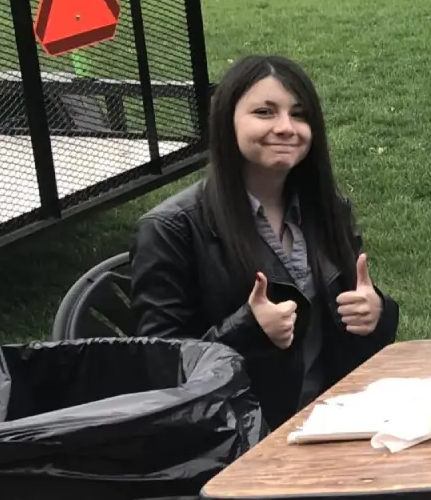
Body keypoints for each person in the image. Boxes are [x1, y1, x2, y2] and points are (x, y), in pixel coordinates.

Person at [131, 55, 399, 426]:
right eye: (264, 112)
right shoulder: (172, 228)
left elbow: (355, 341)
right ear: (228, 121)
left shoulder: (326, 209)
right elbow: (160, 368)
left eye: (300, 114)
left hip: (337, 422)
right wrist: (248, 330)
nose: (286, 127)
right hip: (235, 438)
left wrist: (376, 313)